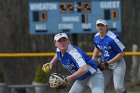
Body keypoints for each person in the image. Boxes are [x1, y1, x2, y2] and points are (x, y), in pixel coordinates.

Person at [92, 19, 127, 93]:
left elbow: (122, 53)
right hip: (104, 64)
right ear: (96, 27)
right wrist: (93, 59)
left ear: (106, 26)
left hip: (117, 63)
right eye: (98, 25)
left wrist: (108, 63)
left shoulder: (113, 37)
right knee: (99, 87)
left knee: (118, 88)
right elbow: (97, 47)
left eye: (102, 25)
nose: (100, 27)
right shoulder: (96, 37)